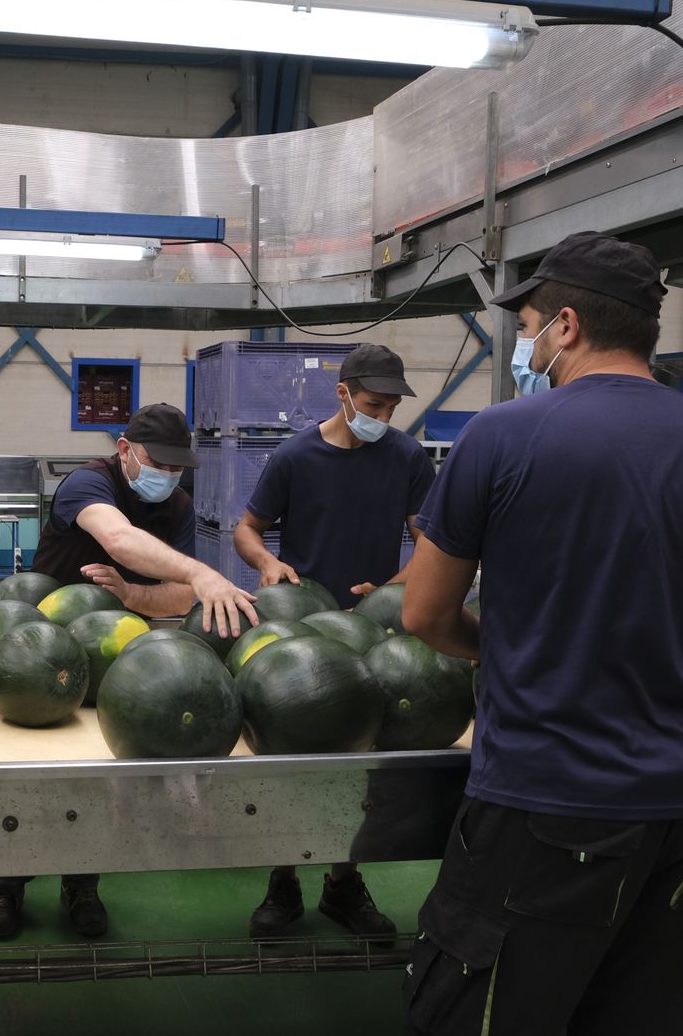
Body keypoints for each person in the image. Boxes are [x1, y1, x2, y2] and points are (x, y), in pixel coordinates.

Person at [400, 231, 683, 1035]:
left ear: (567, 325)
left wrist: (509, 648)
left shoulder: (501, 437)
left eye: (530, 321)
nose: (525, 341)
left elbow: (424, 616)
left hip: (549, 804)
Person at [0, 403, 260, 941]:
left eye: (178, 468)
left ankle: (82, 882)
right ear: (126, 450)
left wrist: (130, 593)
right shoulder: (88, 482)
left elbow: (174, 595)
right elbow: (121, 540)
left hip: (118, 655)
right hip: (40, 658)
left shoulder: (176, 505)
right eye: (159, 463)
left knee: (98, 778)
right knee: (26, 777)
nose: (169, 477)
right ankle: (5, 882)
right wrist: (201, 574)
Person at [234, 343, 434, 944]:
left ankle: (344, 882)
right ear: (343, 394)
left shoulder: (407, 458)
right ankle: (283, 876)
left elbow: (429, 542)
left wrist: (393, 588)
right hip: (300, 632)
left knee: (360, 760)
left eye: (393, 407)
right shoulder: (295, 457)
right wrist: (267, 565)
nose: (385, 417)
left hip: (373, 630)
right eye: (374, 404)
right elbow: (248, 528)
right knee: (295, 754)